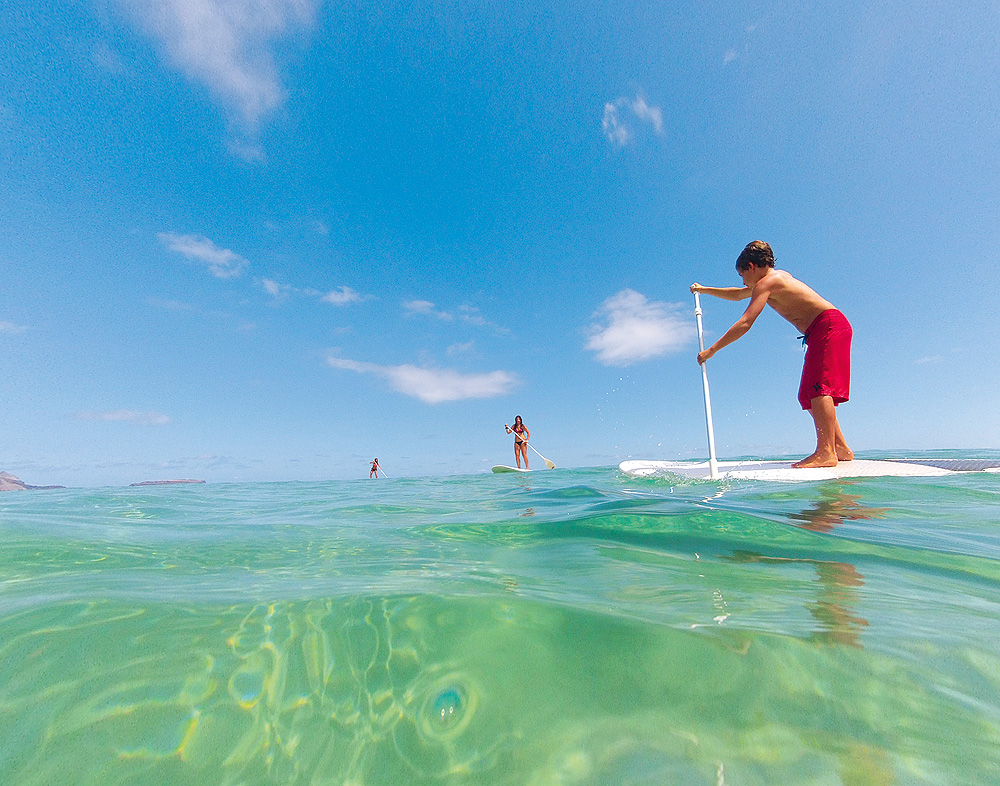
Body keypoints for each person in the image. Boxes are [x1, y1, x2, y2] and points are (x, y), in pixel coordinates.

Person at [690, 241, 853, 469]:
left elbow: (746, 322)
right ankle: (840, 448)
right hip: (822, 330)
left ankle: (826, 452)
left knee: (820, 389)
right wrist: (704, 289)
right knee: (809, 394)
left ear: (751, 266)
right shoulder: (773, 281)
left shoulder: (769, 282)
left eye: (742, 274)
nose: (742, 281)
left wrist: (711, 350)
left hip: (828, 326)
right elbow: (738, 295)